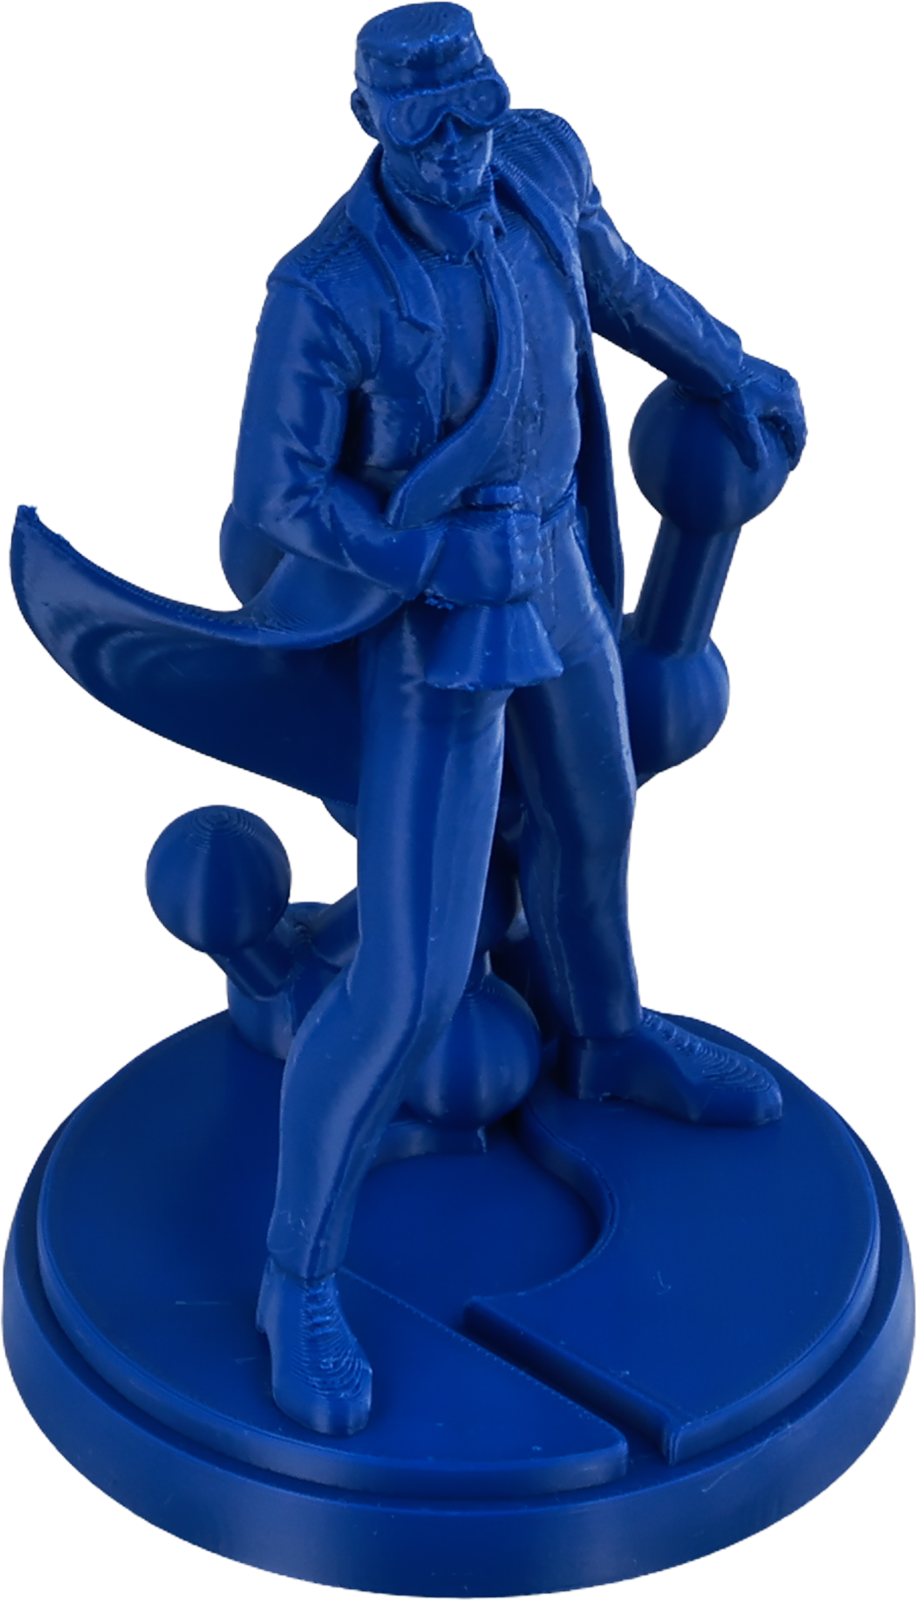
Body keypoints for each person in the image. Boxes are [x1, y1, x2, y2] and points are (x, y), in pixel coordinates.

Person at [219, 2, 808, 1436]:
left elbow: (618, 285)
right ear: (370, 121)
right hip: (435, 632)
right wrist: (426, 556)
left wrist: (731, 364)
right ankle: (297, 1275)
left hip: (554, 577)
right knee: (415, 976)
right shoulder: (325, 289)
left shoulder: (538, 164)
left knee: (596, 825)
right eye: (426, 127)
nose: (459, 148)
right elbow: (277, 498)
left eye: (474, 108)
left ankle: (606, 1039)